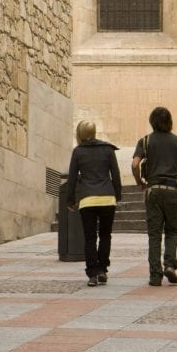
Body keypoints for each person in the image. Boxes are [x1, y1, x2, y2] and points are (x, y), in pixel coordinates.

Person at [131, 106, 177, 286]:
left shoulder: (145, 141)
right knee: (172, 230)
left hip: (153, 190)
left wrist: (139, 181)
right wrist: (174, 177)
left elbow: (135, 164)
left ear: (152, 121)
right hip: (172, 190)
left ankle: (155, 275)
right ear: (169, 121)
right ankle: (170, 265)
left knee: (154, 234)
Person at [66, 120, 122, 287]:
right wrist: (117, 195)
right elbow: (116, 175)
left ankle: (92, 274)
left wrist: (70, 200)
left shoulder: (78, 152)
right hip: (107, 199)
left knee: (90, 237)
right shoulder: (108, 149)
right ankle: (103, 269)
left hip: (88, 200)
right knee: (105, 235)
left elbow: (72, 178)